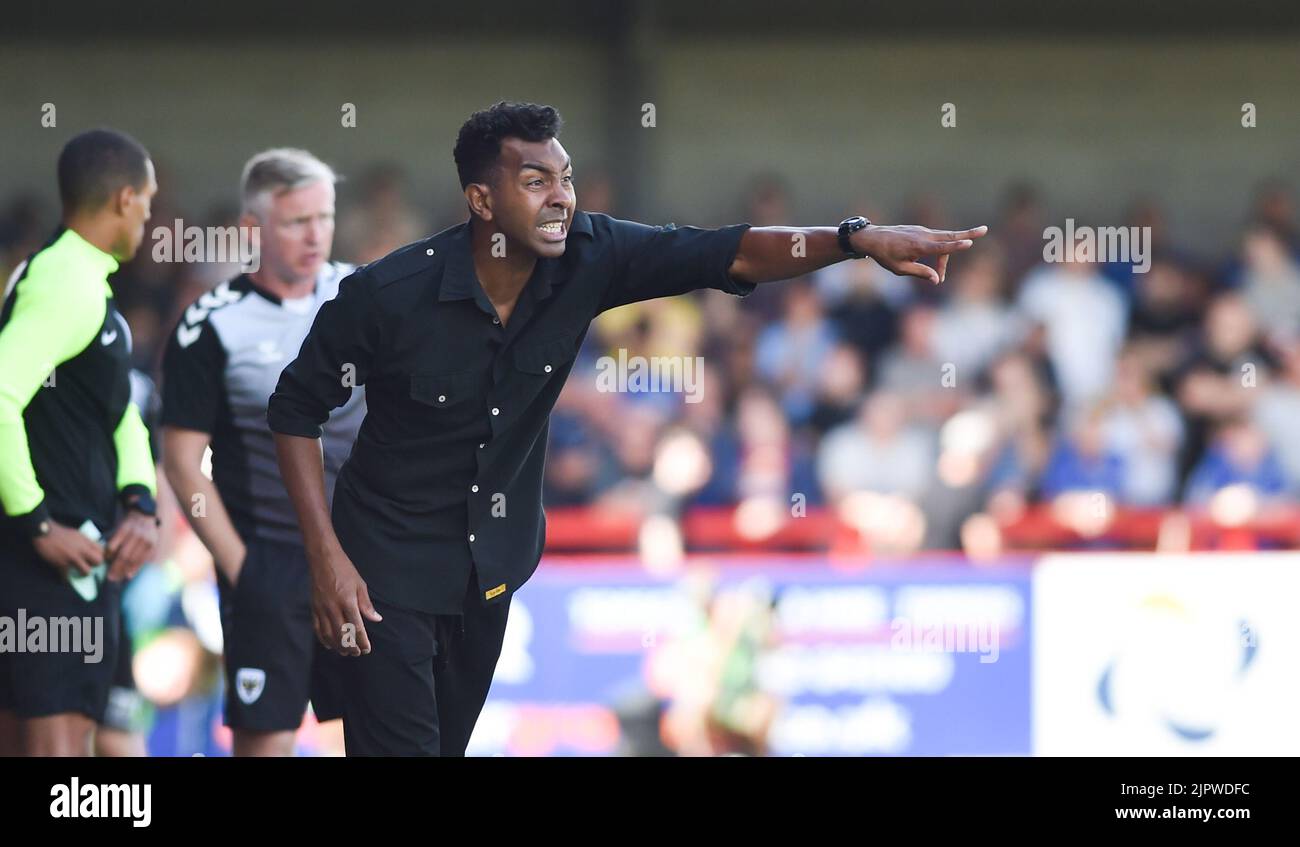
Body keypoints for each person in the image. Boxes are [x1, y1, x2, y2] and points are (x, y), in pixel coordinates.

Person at [268, 101, 986, 756]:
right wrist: (326, 558)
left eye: (566, 177)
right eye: (535, 179)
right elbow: (294, 409)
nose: (560, 196)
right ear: (481, 199)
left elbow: (730, 251)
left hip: (489, 575)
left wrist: (855, 240)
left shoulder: (591, 254)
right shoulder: (387, 296)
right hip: (380, 573)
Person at [161, 148, 363, 756]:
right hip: (269, 561)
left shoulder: (365, 297)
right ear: (253, 230)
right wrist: (241, 567)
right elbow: (180, 462)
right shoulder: (210, 325)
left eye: (324, 217)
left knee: (376, 730)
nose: (315, 234)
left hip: (364, 556)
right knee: (266, 740)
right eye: (296, 221)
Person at [0, 128, 160, 756]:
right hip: (50, 563)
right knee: (58, 754)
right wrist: (38, 524)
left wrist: (140, 502)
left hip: (76, 558)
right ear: (124, 199)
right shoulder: (63, 280)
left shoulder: (82, 280)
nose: (150, 217)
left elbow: (117, 413)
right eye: (147, 202)